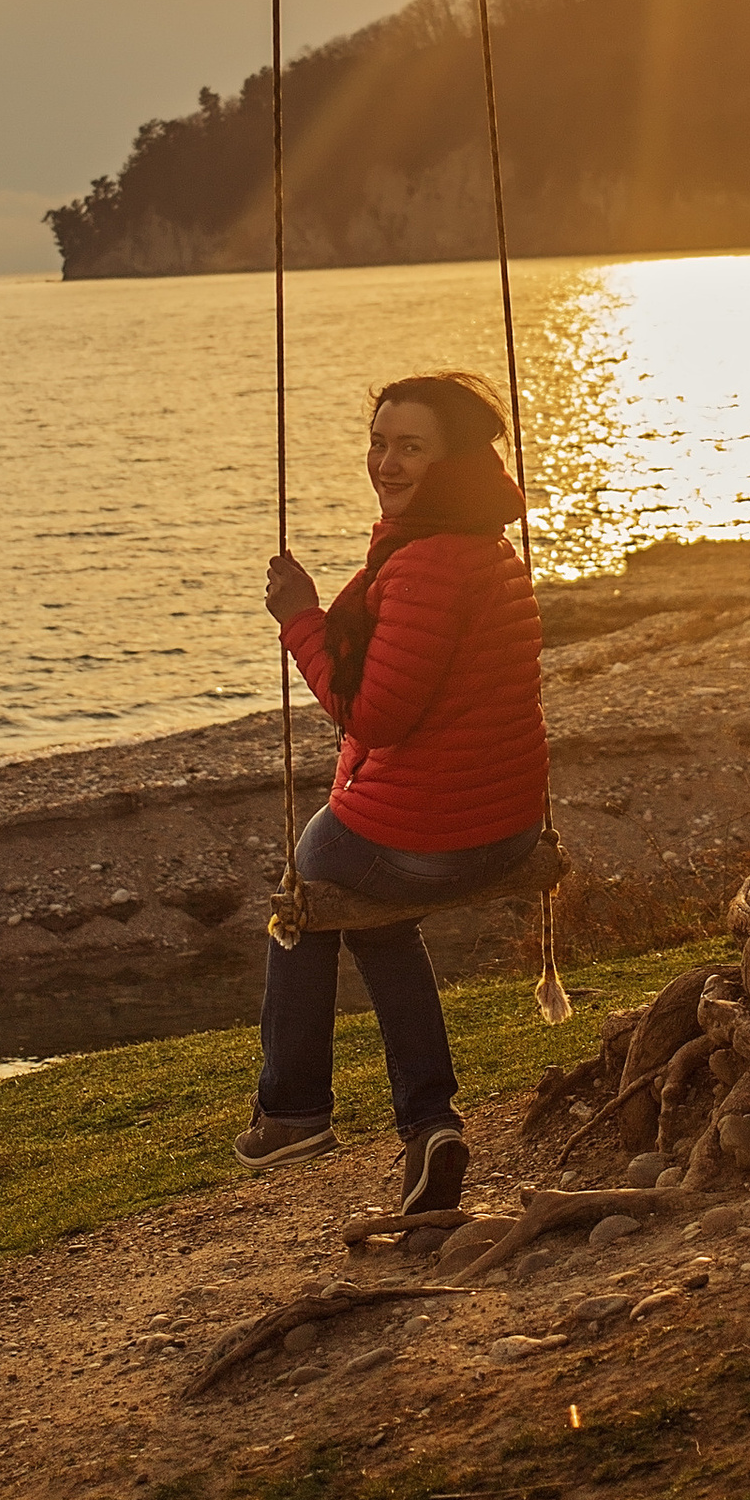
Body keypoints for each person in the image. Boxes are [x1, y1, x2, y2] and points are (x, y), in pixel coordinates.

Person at [237, 367, 549, 1216]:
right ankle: (428, 1128)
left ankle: (294, 1105)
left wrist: (299, 618)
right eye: (379, 443)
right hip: (510, 826)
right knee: (371, 914)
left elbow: (372, 715)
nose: (387, 461)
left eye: (411, 447)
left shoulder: (425, 568)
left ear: (451, 463)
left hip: (437, 839)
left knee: (311, 882)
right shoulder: (487, 549)